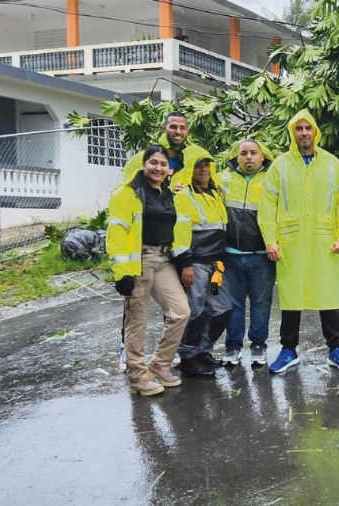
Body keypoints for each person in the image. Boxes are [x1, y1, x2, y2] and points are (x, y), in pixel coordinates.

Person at [257, 109, 339, 374]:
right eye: (299, 129)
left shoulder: (332, 164)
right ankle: (288, 350)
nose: (303, 133)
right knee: (291, 298)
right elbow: (267, 206)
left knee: (328, 296)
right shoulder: (280, 165)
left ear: (315, 132)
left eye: (308, 128)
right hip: (289, 244)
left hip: (325, 243)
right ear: (293, 133)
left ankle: (336, 349)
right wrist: (270, 240)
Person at [108, 145, 190, 395]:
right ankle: (137, 376)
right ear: (144, 164)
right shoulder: (127, 193)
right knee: (138, 320)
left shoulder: (168, 193)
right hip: (139, 261)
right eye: (153, 162)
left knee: (180, 311)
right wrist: (122, 272)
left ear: (169, 169)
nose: (158, 168)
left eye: (163, 164)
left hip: (163, 258)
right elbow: (117, 232)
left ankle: (159, 365)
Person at [172, 156, 231, 378]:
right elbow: (180, 233)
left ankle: (203, 351)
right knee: (194, 313)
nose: (204, 169)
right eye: (198, 166)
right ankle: (189, 359)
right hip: (195, 263)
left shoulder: (215, 194)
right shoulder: (184, 196)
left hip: (216, 264)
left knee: (223, 309)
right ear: (190, 169)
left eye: (207, 165)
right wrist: (185, 263)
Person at [221, 139, 277, 367]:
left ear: (262, 156)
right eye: (243, 153)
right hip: (230, 255)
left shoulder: (271, 180)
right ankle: (233, 347)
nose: (249, 157)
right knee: (233, 305)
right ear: (237, 157)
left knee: (261, 303)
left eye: (254, 152)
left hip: (261, 255)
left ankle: (258, 346)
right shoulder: (223, 179)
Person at [121, 112, 212, 190]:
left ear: (188, 131)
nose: (178, 132)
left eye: (182, 128)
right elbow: (125, 189)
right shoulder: (140, 159)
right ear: (164, 129)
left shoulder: (196, 157)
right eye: (173, 127)